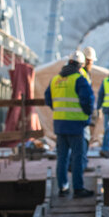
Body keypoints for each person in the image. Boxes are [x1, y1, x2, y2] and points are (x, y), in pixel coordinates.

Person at [44, 50, 95, 198]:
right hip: (76, 125)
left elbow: (48, 99)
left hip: (60, 125)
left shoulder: (55, 80)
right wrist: (86, 116)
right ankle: (78, 188)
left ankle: (63, 188)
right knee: (77, 158)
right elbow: (88, 100)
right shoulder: (79, 79)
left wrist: (59, 111)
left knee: (62, 158)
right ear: (80, 66)